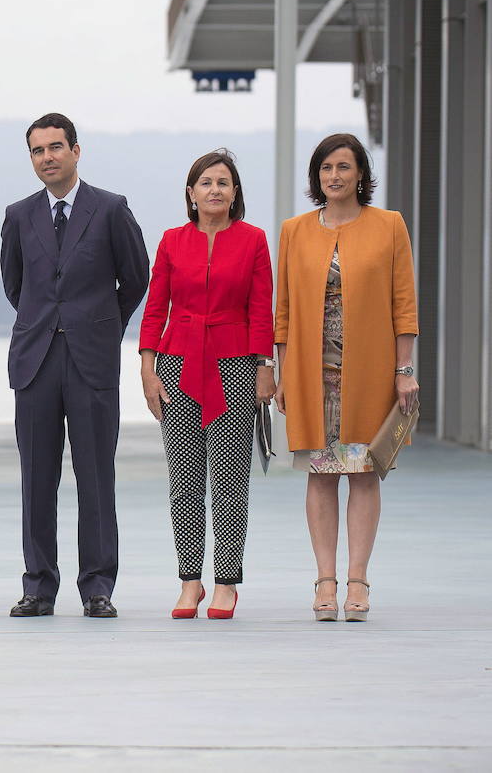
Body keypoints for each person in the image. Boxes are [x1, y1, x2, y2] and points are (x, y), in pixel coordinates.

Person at [0, 112, 149, 619]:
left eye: (56, 147)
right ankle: (38, 586)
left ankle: (97, 588)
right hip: (35, 361)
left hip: (93, 361)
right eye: (38, 151)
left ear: (76, 150)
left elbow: (136, 278)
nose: (48, 158)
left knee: (95, 478)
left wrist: (105, 325)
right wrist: (46, 323)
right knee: (36, 479)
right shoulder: (18, 215)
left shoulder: (110, 209)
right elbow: (15, 285)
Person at [275, 133, 418, 623]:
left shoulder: (389, 225)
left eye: (344, 167)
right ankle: (324, 581)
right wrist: (280, 372)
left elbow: (404, 305)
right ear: (317, 177)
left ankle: (358, 580)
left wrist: (404, 371)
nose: (334, 176)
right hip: (312, 374)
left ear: (361, 174)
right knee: (320, 475)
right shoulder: (294, 230)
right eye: (325, 168)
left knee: (362, 472)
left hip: (370, 370)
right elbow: (285, 311)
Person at [139, 149, 275, 620]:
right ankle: (189, 580)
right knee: (184, 480)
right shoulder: (172, 241)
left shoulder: (254, 240)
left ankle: (227, 582)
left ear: (235, 192)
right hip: (176, 362)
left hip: (235, 364)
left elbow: (262, 308)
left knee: (231, 478)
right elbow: (155, 308)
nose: (214, 189)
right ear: (191, 193)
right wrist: (147, 366)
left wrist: (264, 366)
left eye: (224, 182)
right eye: (206, 182)